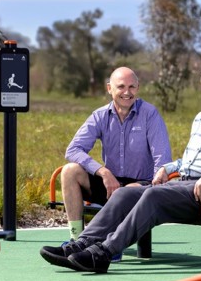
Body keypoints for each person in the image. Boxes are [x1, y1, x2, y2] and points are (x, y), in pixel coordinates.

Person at [39, 68, 201, 273]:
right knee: (124, 193)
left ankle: (104, 253)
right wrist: (167, 168)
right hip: (183, 185)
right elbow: (189, 162)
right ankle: (80, 244)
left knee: (153, 193)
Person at [54, 66, 172, 252]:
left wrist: (152, 187)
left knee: (123, 193)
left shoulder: (150, 114)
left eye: (132, 87)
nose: (127, 92)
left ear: (138, 88)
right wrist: (103, 171)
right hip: (110, 183)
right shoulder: (100, 116)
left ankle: (108, 246)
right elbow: (73, 149)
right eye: (121, 86)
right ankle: (77, 240)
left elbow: (162, 160)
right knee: (69, 171)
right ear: (109, 88)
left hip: (141, 185)